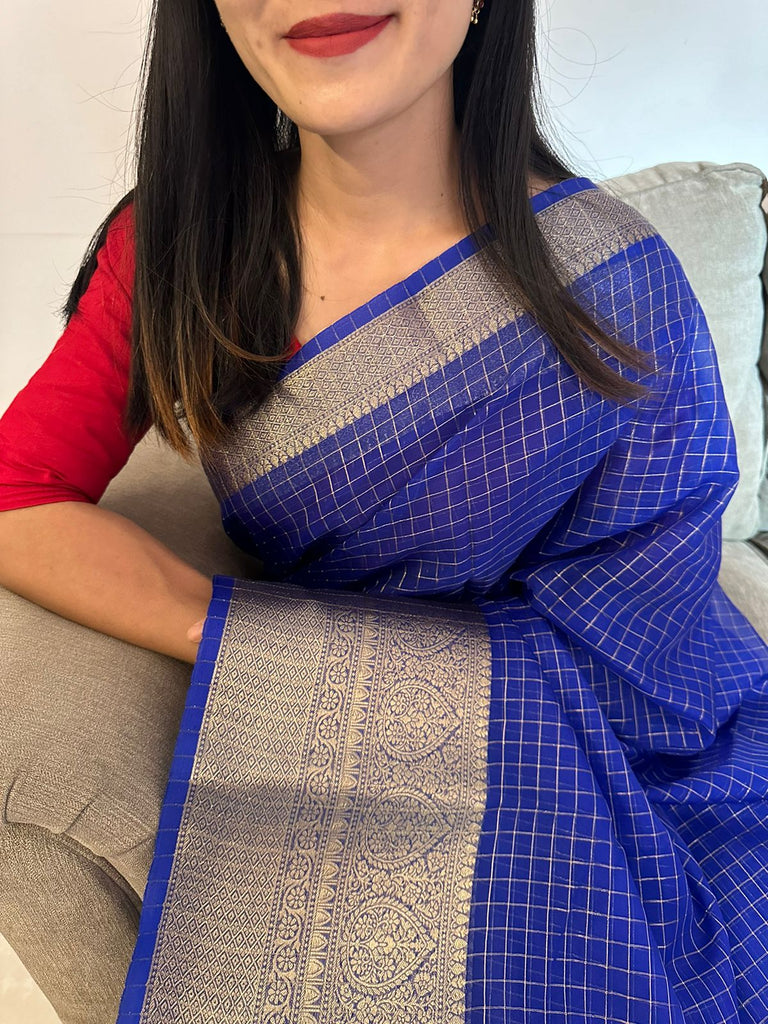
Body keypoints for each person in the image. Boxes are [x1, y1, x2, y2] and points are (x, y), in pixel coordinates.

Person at [1, 1, 767, 1021]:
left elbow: (652, 639)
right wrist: (236, 633)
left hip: (635, 753)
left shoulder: (616, 285)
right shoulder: (184, 245)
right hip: (330, 720)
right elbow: (18, 492)